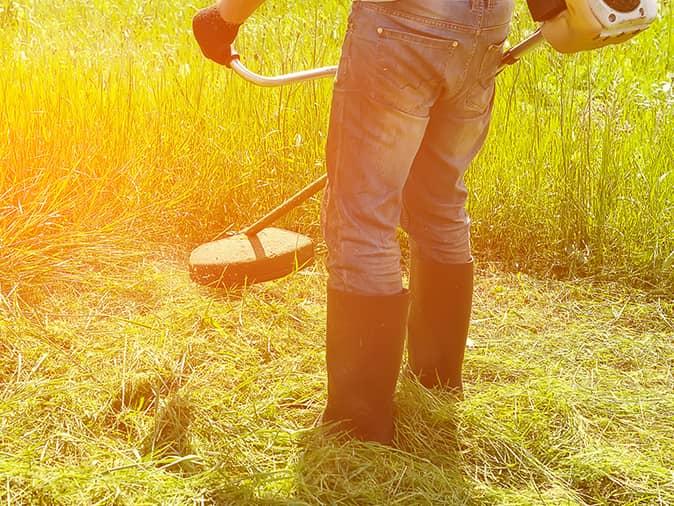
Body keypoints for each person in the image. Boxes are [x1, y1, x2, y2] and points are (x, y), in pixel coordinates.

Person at [193, 0, 637, 444]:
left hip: (401, 24)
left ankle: (358, 428)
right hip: (486, 26)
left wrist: (225, 18)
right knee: (439, 200)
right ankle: (437, 381)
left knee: (362, 216)